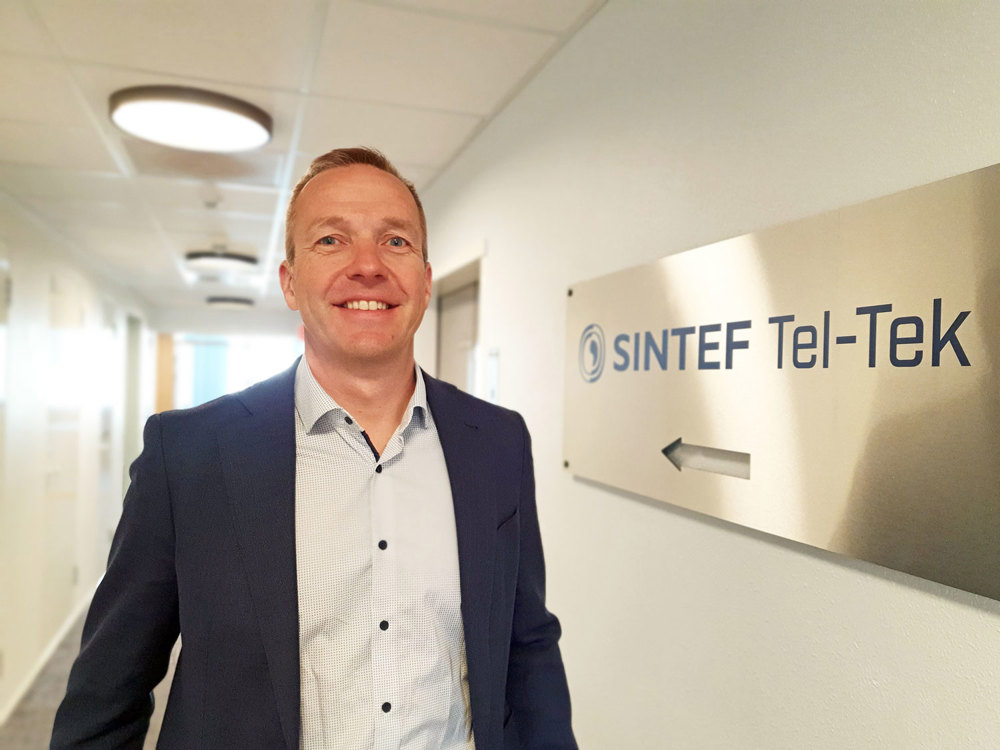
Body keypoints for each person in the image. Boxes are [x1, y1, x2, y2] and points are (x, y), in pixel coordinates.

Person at [51, 147, 576, 749]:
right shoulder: (190, 455)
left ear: (426, 283)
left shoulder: (499, 444)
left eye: (396, 242)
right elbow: (108, 691)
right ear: (290, 282)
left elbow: (526, 646)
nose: (368, 267)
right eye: (331, 240)